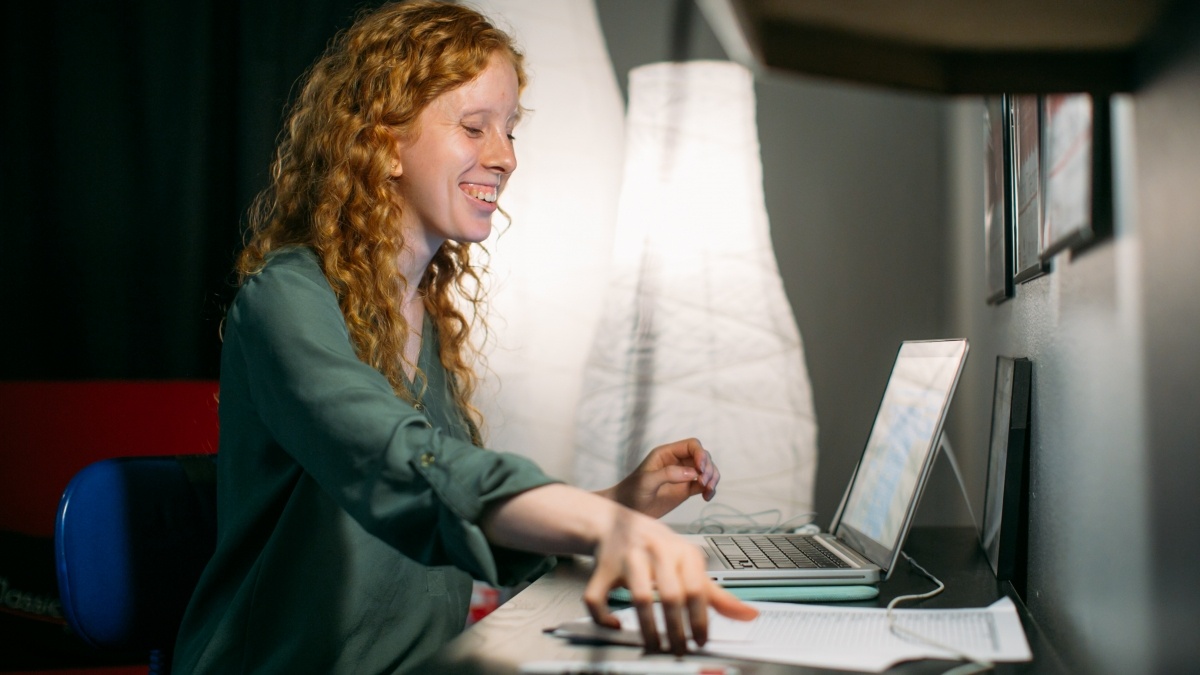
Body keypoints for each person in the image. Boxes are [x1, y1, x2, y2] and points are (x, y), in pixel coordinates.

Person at [172, 1, 757, 672]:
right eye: (475, 127)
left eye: (509, 131)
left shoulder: (424, 313)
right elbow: (398, 462)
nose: (505, 157)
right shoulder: (285, 298)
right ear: (384, 143)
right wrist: (597, 523)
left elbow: (460, 518)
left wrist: (619, 504)